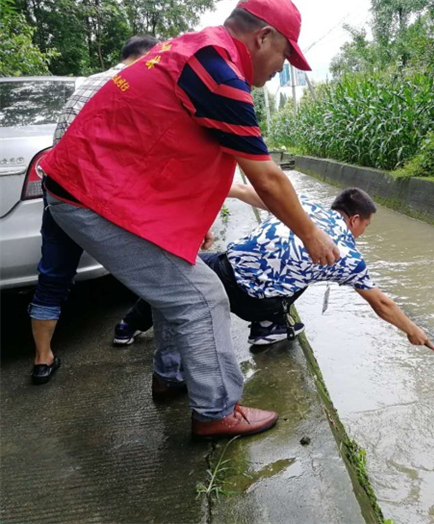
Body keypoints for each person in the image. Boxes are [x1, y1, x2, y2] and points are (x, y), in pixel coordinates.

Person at [37, 0, 339, 441]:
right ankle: (216, 411)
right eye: (286, 55)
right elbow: (269, 179)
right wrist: (311, 234)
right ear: (263, 37)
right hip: (93, 196)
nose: (282, 67)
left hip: (97, 190)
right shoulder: (217, 72)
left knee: (176, 286)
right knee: (203, 297)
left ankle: (171, 375)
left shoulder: (197, 50)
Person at [117, 187, 434, 389]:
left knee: (177, 275)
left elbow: (241, 190)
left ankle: (127, 326)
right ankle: (268, 325)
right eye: (366, 225)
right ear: (354, 220)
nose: (363, 233)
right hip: (258, 302)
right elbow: (380, 303)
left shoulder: (299, 204)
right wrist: (412, 330)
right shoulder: (346, 255)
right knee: (305, 275)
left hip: (226, 272)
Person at [29, 35, 159, 385]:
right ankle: (134, 330)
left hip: (56, 190)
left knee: (53, 275)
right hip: (98, 194)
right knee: (155, 267)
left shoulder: (86, 82)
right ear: (146, 56)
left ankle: (42, 360)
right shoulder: (137, 84)